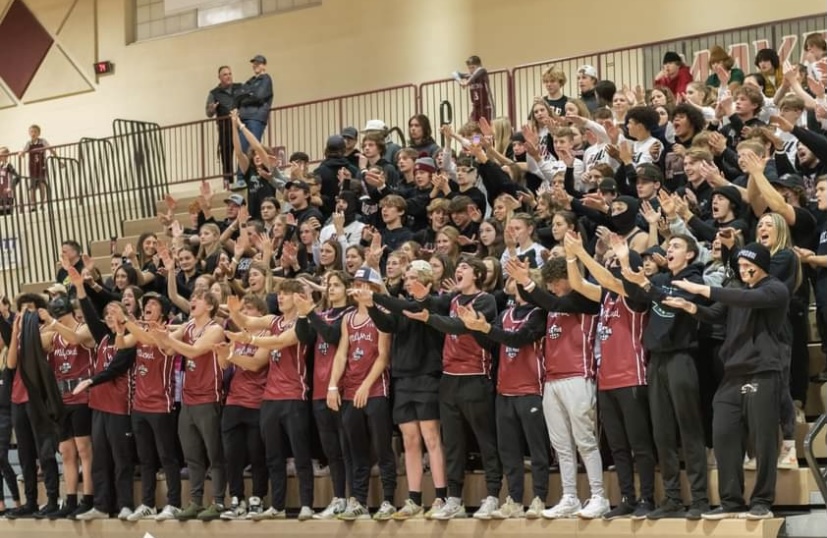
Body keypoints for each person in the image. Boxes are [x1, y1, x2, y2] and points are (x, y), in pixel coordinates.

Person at [662, 243, 789, 520]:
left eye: (748, 265)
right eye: (740, 266)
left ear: (762, 265)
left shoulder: (775, 289)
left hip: (763, 372)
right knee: (723, 436)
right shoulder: (738, 292)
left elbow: (744, 300)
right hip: (732, 374)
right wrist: (690, 307)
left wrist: (702, 290)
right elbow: (715, 314)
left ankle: (762, 501)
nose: (743, 270)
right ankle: (731, 502)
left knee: (764, 439)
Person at [225, 280, 315, 521]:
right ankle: (277, 505)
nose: (281, 297)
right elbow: (249, 322)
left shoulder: (303, 323)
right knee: (273, 456)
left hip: (295, 394)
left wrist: (250, 340)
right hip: (270, 398)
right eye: (280, 293)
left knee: (300, 453)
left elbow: (280, 342)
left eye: (286, 293)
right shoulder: (274, 320)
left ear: (298, 297)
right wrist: (235, 312)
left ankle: (306, 504)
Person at [152, 290, 227, 521]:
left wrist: (167, 336)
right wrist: (159, 335)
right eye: (192, 298)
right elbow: (167, 350)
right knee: (192, 455)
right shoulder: (188, 327)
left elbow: (193, 352)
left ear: (211, 306)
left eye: (198, 299)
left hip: (208, 397)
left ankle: (219, 502)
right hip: (188, 399)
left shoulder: (215, 329)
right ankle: (195, 501)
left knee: (214, 454)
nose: (192, 301)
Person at [38, 294, 95, 519]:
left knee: (84, 450)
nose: (58, 319)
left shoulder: (84, 329)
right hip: (61, 400)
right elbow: (33, 341)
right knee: (67, 452)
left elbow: (75, 338)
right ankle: (70, 499)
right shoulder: (53, 334)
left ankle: (88, 499)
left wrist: (52, 325)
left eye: (60, 316)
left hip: (82, 397)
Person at [206, 65, 242, 189]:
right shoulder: (214, 93)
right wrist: (212, 109)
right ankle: (229, 184)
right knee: (226, 157)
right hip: (225, 130)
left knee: (244, 153)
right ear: (219, 77)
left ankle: (243, 180)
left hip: (240, 126)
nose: (228, 76)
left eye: (230, 74)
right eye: (225, 74)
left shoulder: (239, 87)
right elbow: (208, 113)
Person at [236, 54, 274, 153]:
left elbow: (258, 97)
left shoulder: (266, 79)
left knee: (252, 149)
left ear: (264, 66)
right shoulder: (250, 81)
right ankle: (243, 169)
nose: (255, 65)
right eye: (254, 63)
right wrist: (248, 95)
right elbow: (238, 95)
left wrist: (245, 97)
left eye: (258, 63)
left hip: (256, 118)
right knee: (242, 151)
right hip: (244, 118)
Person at [20, 124, 54, 210]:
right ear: (29, 133)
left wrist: (58, 159)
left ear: (39, 133)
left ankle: (42, 204)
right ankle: (33, 205)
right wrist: (21, 153)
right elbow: (23, 152)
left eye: (35, 131)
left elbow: (51, 149)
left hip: (41, 167)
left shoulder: (42, 141)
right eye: (31, 131)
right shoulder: (28, 143)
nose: (33, 133)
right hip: (32, 168)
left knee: (42, 185)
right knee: (32, 187)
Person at [454, 55, 494, 122]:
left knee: (485, 128)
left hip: (485, 106)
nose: (471, 70)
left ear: (479, 65)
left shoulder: (482, 72)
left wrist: (467, 82)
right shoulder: (469, 75)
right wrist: (460, 82)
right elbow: (454, 73)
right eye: (469, 68)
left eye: (473, 67)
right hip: (476, 107)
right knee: (470, 126)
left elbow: (480, 70)